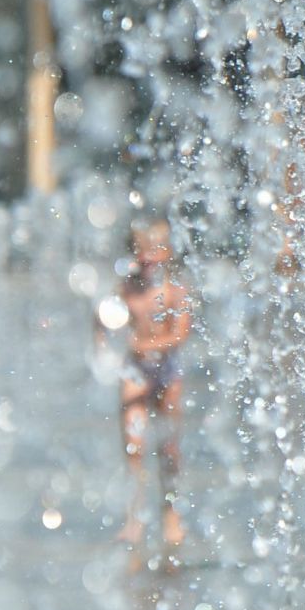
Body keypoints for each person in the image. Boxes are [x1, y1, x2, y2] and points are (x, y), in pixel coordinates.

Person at [100, 216, 192, 553]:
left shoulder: (173, 291)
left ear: (167, 253)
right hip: (135, 372)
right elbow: (103, 319)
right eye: (141, 251)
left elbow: (181, 334)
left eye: (155, 251)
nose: (147, 258)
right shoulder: (125, 289)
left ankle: (171, 516)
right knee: (133, 448)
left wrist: (144, 346)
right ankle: (134, 519)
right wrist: (103, 348)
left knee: (168, 449)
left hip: (167, 372)